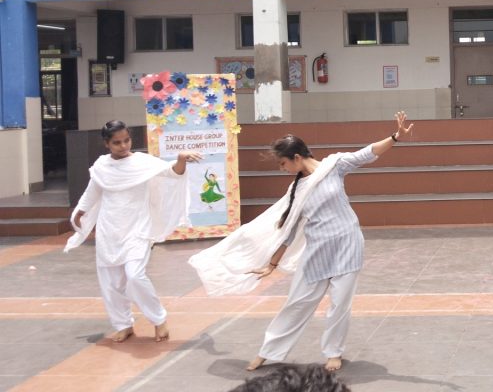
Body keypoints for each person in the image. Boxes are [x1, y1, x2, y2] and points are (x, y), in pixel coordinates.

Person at [189, 112, 414, 373]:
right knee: (297, 302)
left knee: (340, 303)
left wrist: (395, 137)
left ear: (296, 158)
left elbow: (367, 153)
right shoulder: (297, 190)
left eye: (282, 163)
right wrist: (271, 264)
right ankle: (268, 351)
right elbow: (289, 228)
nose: (282, 169)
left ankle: (333, 352)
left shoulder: (334, 166)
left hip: (348, 245)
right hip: (317, 250)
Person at [64, 120, 201, 343]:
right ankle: (123, 324)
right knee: (111, 282)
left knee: (135, 275)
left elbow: (172, 173)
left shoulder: (143, 163)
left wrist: (181, 159)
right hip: (109, 229)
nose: (123, 145)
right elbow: (92, 192)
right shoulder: (101, 167)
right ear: (107, 144)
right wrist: (80, 211)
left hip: (138, 228)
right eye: (117, 142)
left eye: (126, 140)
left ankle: (159, 320)